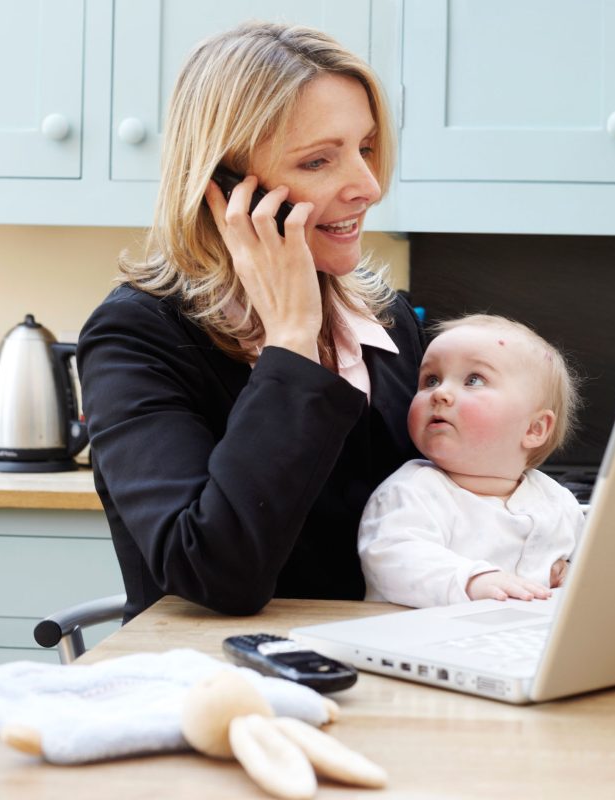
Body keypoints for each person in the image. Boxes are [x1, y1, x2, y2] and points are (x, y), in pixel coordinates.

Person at [76, 21, 426, 622]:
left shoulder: (388, 320)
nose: (367, 187)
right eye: (319, 160)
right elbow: (214, 574)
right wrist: (290, 343)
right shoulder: (138, 338)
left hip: (394, 674)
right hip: (226, 686)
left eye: (365, 148)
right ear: (225, 187)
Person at [358, 314, 585, 608]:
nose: (440, 393)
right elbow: (392, 558)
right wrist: (473, 580)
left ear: (534, 429)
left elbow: (584, 566)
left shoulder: (559, 503)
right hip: (421, 641)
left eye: (473, 380)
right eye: (431, 380)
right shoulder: (412, 491)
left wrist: (567, 572)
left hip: (510, 644)